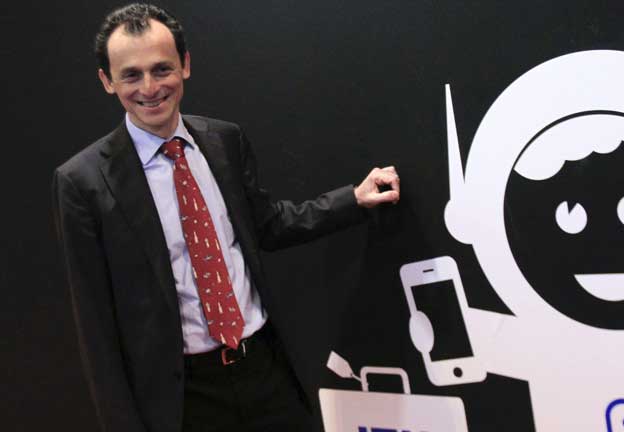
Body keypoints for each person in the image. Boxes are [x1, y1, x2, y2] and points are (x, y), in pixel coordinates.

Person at [52, 3, 400, 432]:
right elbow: (96, 326)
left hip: (265, 371)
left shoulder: (224, 140)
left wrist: (354, 200)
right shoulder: (82, 182)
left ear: (185, 64)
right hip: (184, 399)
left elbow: (268, 225)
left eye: (162, 69)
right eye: (131, 75)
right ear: (107, 81)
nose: (150, 88)